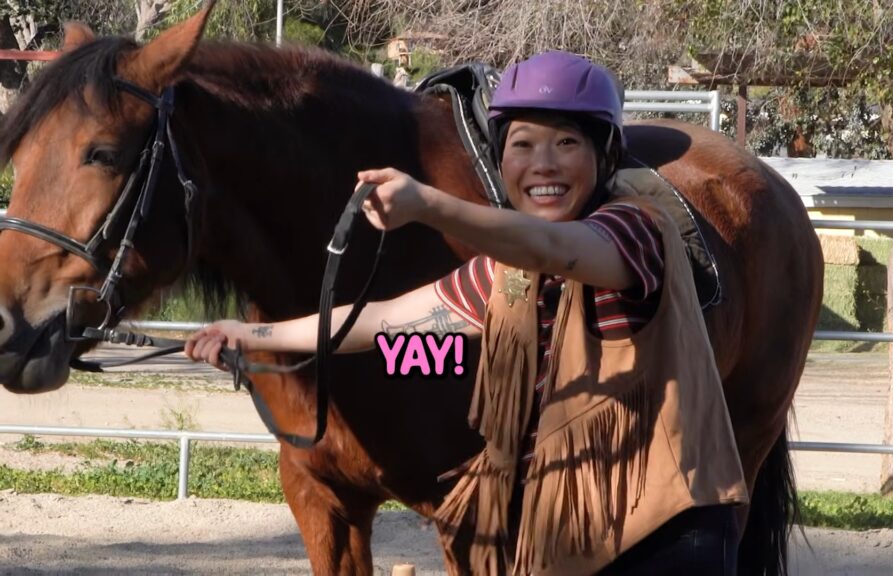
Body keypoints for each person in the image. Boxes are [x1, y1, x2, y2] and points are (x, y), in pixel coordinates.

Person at [186, 50, 747, 575]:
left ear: (604, 156)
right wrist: (251, 334)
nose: (541, 164)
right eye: (522, 145)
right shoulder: (504, 276)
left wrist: (427, 205)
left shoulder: (634, 230)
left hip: (667, 531)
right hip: (567, 528)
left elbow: (553, 249)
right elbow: (382, 321)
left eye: (566, 143)